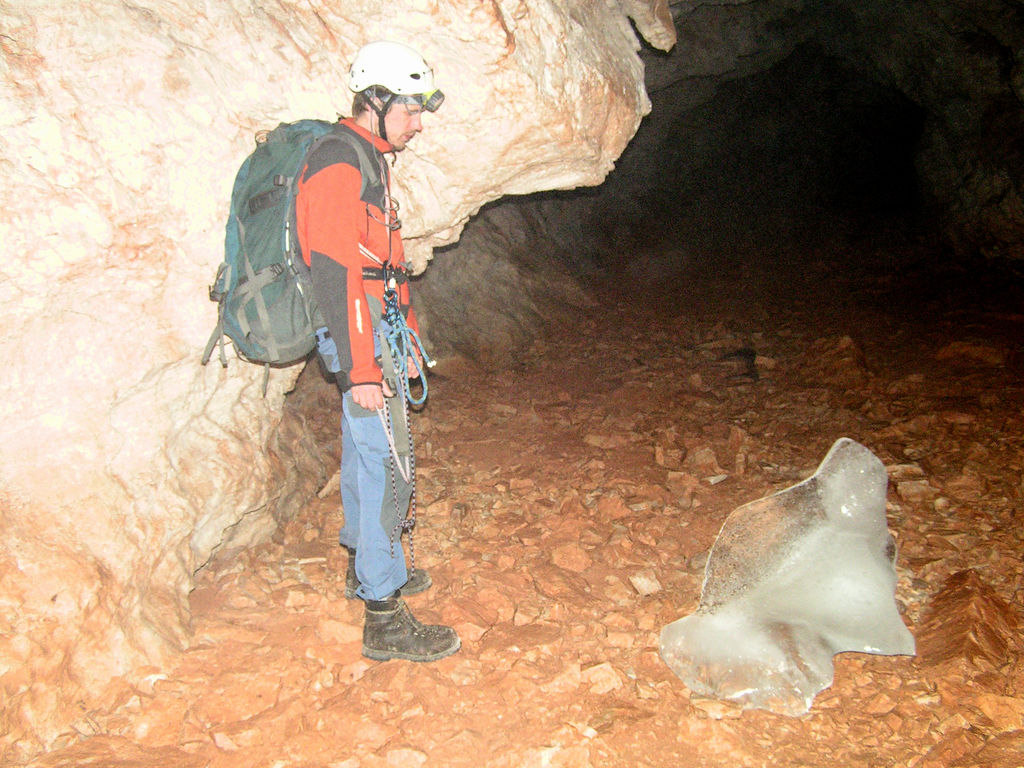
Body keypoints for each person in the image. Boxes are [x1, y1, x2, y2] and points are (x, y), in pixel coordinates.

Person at [295, 40, 459, 663]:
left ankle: (363, 568)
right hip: (360, 337)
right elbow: (337, 272)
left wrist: (409, 339)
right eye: (412, 108)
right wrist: (361, 368)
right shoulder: (341, 161)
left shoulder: (369, 159)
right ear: (376, 101)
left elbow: (385, 266)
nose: (419, 122)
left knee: (366, 455)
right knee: (387, 462)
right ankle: (385, 616)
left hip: (378, 331)